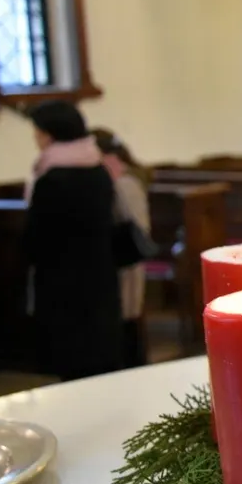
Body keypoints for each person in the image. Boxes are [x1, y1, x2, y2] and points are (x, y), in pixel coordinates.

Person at [23, 101, 124, 380]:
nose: (36, 138)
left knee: (72, 355)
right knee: (100, 349)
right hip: (100, 271)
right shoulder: (98, 170)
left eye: (38, 132)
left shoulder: (51, 179)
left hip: (62, 278)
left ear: (50, 134)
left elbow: (37, 234)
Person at [93, 128, 152, 367]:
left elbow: (137, 225)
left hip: (128, 259)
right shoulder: (109, 176)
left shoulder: (124, 180)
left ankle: (135, 364)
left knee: (129, 315)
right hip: (117, 258)